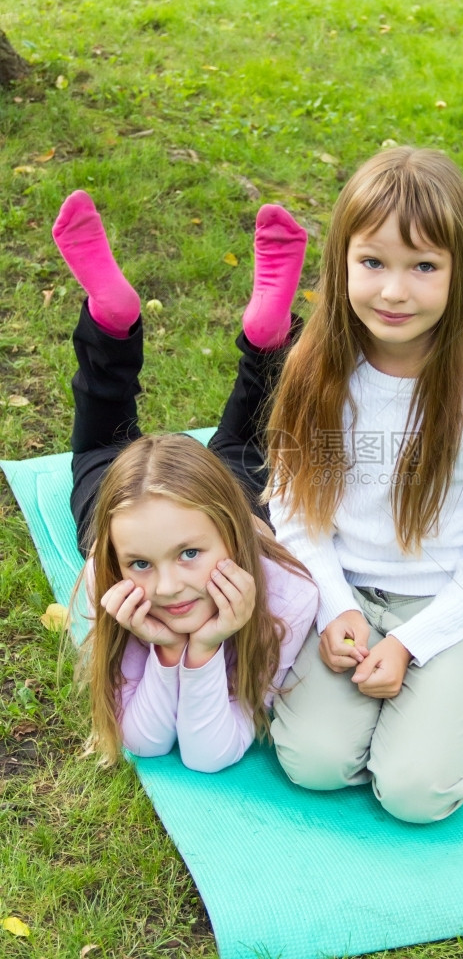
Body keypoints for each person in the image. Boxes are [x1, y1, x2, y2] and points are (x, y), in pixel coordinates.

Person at [263, 147, 463, 823]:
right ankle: (410, 712)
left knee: (416, 793)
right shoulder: (317, 367)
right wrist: (335, 608)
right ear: (342, 260)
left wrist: (414, 644)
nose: (393, 291)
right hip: (350, 597)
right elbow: (298, 510)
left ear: (458, 272)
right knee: (312, 763)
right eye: (374, 262)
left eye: (423, 267)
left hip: (444, 604)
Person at [52, 191, 318, 772]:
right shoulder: (111, 585)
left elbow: (208, 755)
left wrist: (200, 651)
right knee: (242, 445)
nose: (168, 588)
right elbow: (143, 740)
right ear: (118, 561)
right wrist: (175, 651)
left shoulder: (288, 597)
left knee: (101, 444)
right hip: (140, 513)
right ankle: (267, 340)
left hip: (139, 510)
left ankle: (111, 319)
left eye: (190, 554)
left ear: (232, 530)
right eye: (141, 563)